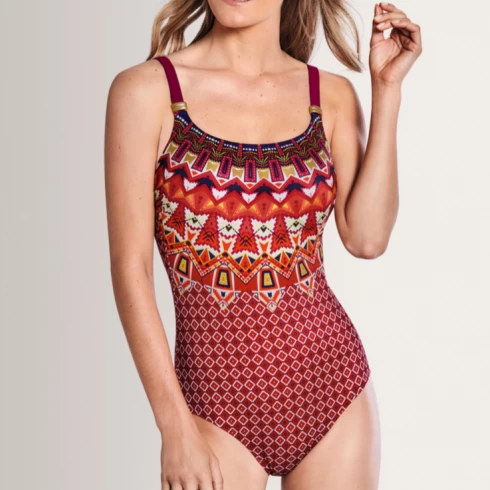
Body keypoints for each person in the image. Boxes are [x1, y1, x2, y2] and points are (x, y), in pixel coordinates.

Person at [104, 1, 422, 488]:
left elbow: (367, 238)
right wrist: (174, 426)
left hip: (331, 388)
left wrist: (387, 90)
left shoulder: (329, 96)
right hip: (210, 406)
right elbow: (131, 268)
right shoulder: (147, 92)